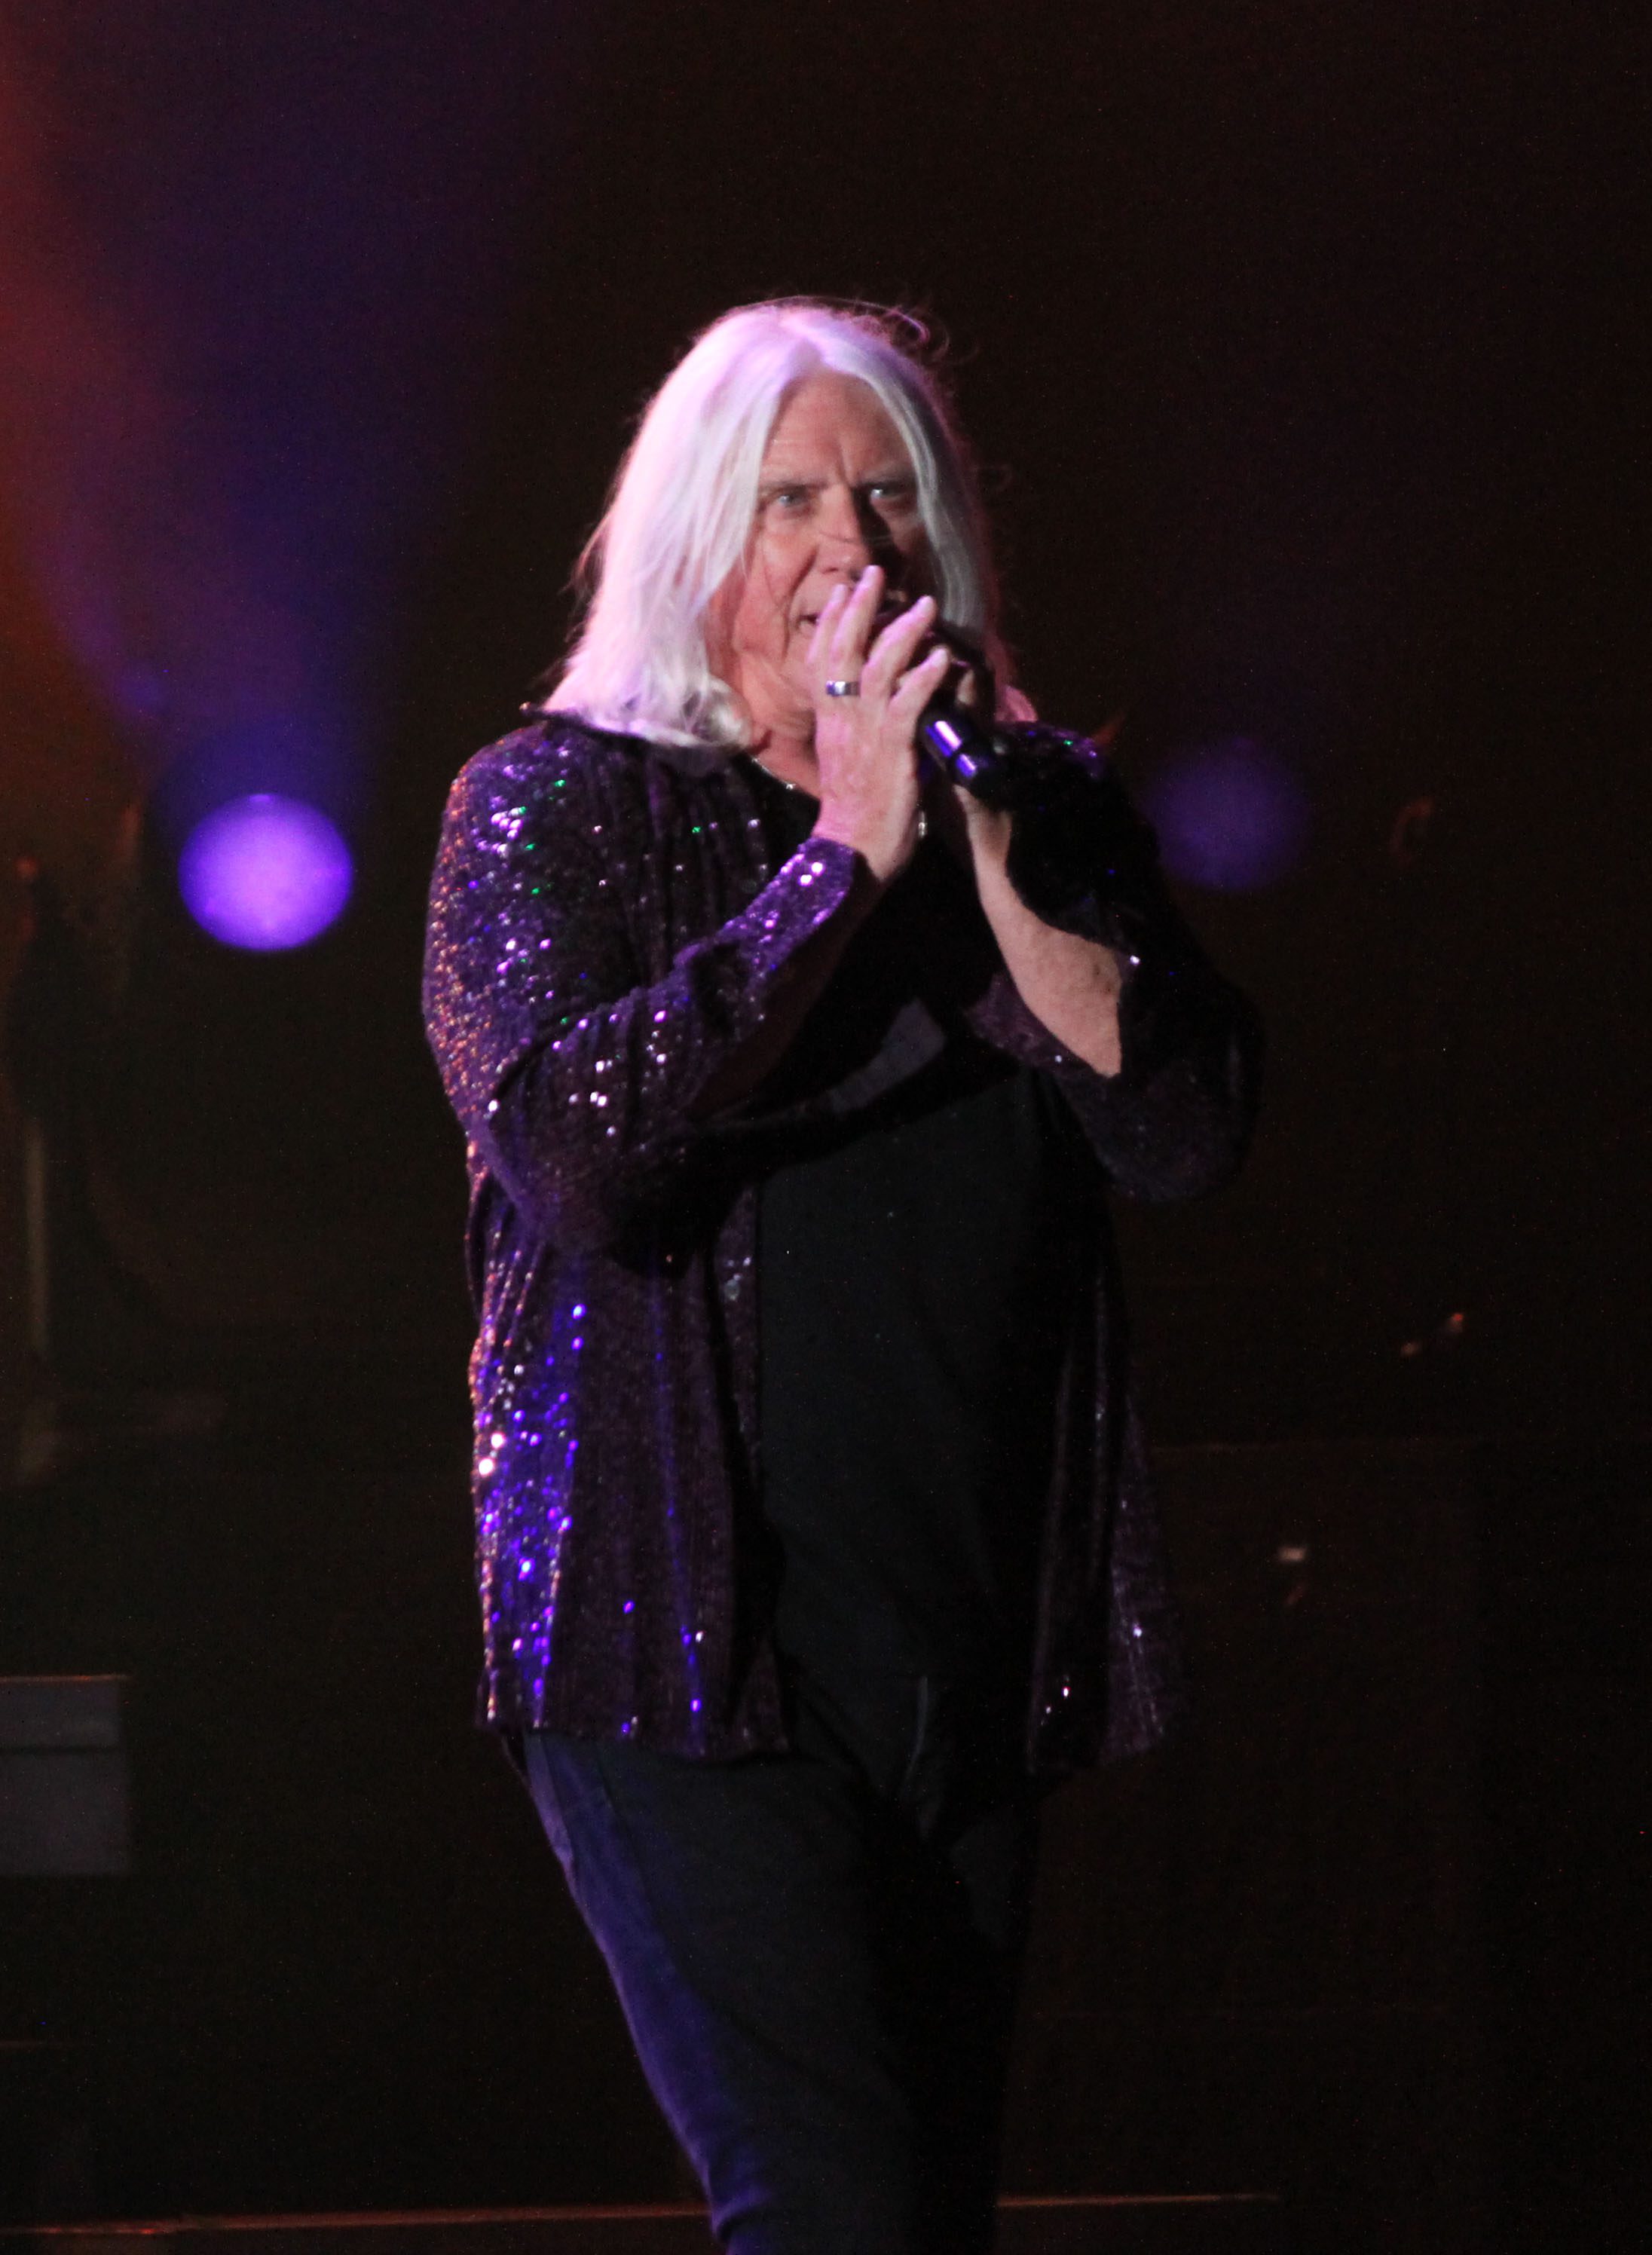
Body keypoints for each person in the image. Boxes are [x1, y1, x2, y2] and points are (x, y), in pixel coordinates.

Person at [423, 299, 1262, 2255]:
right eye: (792, 496)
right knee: (838, 2213)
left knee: (925, 2213)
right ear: (698, 539)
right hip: (684, 1650)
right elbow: (583, 1152)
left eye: (890, 497)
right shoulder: (558, 806)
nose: (851, 546)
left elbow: (1190, 1131)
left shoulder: (1034, 812)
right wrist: (841, 852)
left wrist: (979, 828)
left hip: (960, 1645)